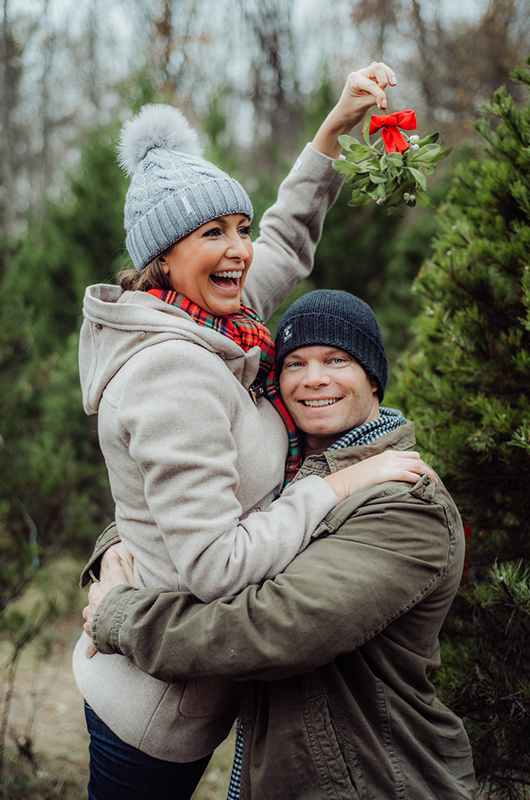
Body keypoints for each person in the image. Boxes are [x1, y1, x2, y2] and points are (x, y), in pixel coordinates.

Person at [73, 64, 435, 800]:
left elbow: (287, 242)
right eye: (213, 233)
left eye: (239, 226)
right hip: (154, 704)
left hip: (195, 670)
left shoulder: (217, 322)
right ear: (163, 260)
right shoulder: (177, 370)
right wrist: (335, 485)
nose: (239, 248)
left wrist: (332, 135)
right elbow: (215, 567)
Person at [84, 290, 476, 800]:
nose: (314, 378)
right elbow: (197, 506)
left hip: (372, 776)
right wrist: (117, 544)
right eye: (296, 363)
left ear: (373, 379)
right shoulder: (292, 473)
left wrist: (122, 617)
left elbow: (270, 628)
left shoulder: (404, 503)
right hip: (293, 773)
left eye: (337, 360)